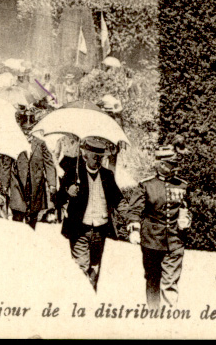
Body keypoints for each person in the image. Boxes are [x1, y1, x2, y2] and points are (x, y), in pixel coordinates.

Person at [124, 144, 191, 309]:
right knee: (152, 278)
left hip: (175, 240)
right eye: (171, 164)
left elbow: (187, 208)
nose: (175, 167)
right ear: (161, 164)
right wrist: (134, 230)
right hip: (151, 241)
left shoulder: (182, 185)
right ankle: (153, 312)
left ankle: (169, 314)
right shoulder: (146, 185)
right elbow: (134, 210)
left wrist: (187, 220)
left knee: (170, 280)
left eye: (175, 164)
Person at [55, 137, 124, 290]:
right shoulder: (74, 173)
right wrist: (68, 192)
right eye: (95, 157)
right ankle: (82, 299)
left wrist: (131, 220)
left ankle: (90, 293)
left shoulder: (107, 175)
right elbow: (57, 199)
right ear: (86, 155)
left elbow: (118, 200)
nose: (98, 160)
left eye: (101, 157)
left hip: (101, 230)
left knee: (94, 268)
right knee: (81, 268)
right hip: (79, 229)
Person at [10, 117, 58, 229]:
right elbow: (7, 163)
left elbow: (49, 163)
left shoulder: (40, 143)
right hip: (18, 185)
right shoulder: (14, 141)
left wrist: (52, 184)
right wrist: (4, 185)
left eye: (29, 128)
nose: (27, 131)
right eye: (24, 129)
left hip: (35, 186)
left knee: (32, 219)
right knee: (17, 217)